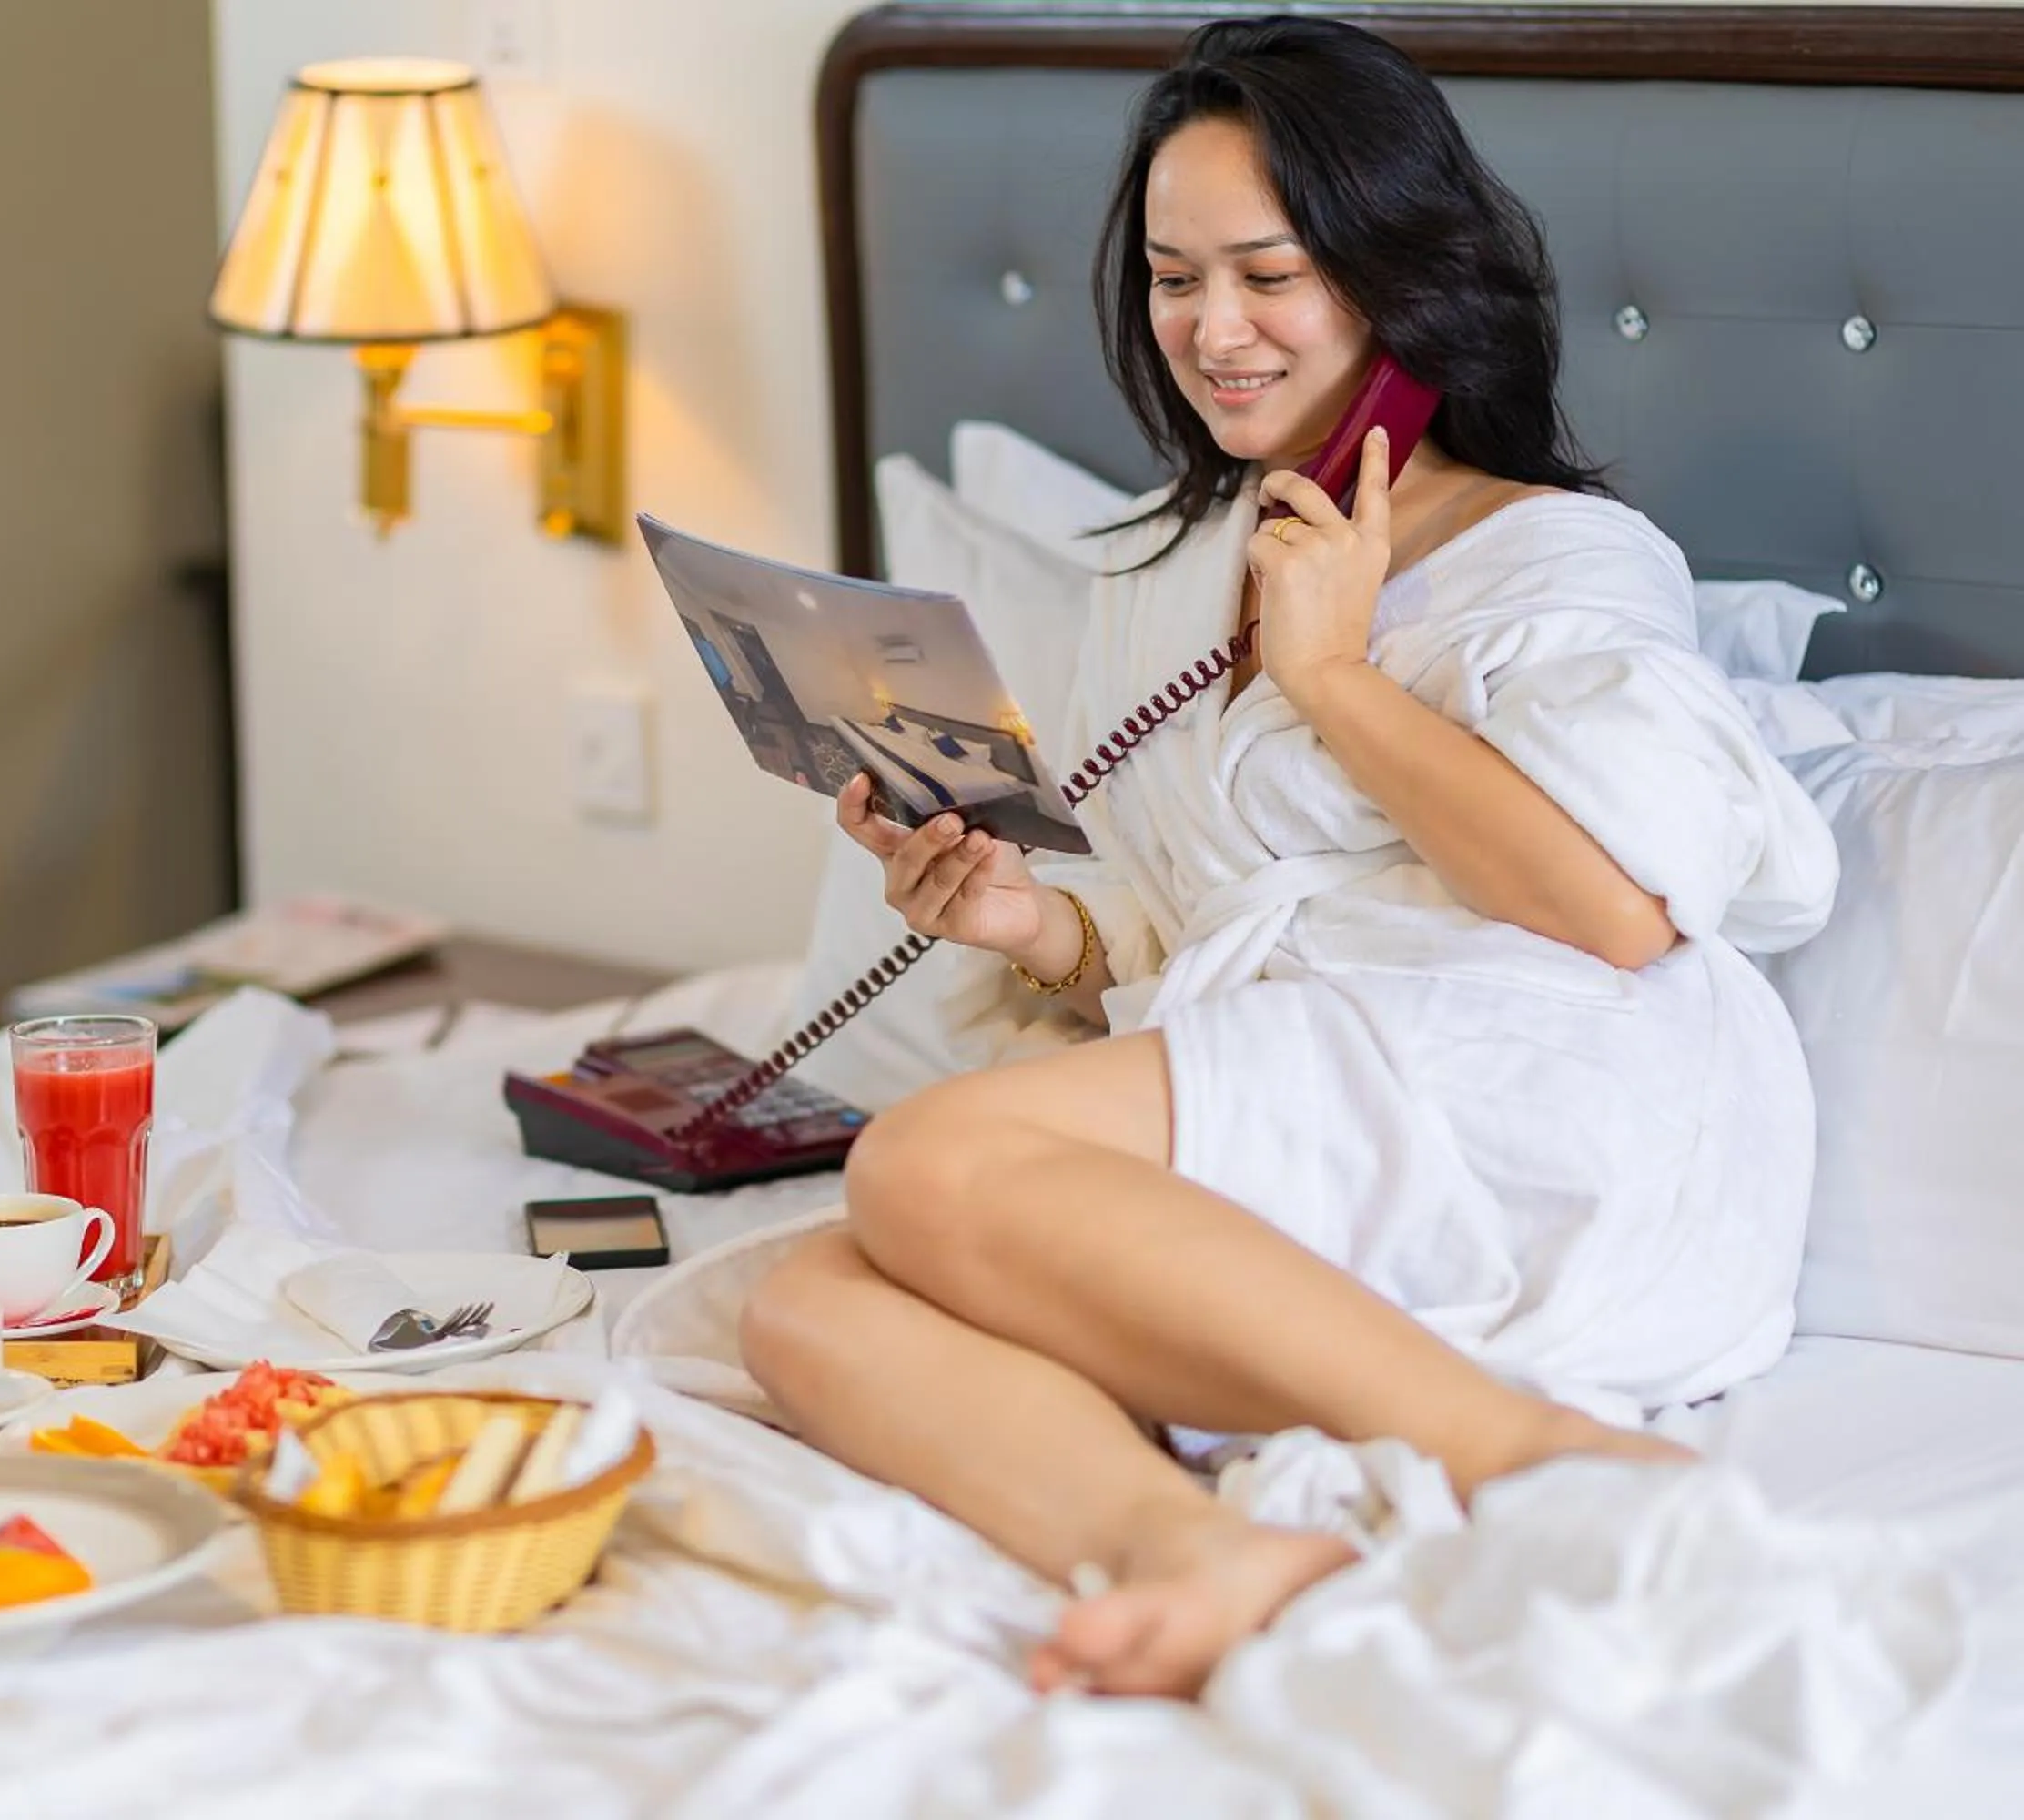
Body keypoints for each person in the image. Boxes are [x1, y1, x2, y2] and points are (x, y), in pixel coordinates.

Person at [738, 15, 1839, 1701]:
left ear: (1397, 280)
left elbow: (1618, 912)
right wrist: (1038, 926)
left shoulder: (1563, 553)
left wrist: (1331, 673)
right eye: (1177, 278)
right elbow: (1199, 907)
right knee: (805, 1307)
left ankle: (1529, 1456)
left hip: (1537, 1080)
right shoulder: (1195, 561)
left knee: (920, 1168)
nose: (1214, 329)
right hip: (1316, 1063)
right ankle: (1192, 1544)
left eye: (1271, 272)